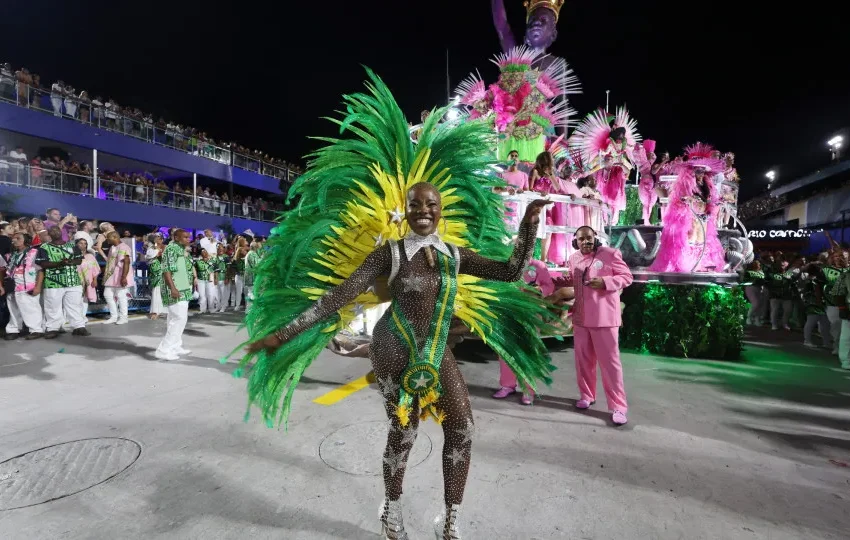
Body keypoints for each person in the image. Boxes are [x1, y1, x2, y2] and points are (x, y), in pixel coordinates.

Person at [237, 70, 557, 540]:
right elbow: (337, 297)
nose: (424, 210)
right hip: (393, 345)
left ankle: (449, 520)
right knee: (404, 432)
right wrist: (283, 334)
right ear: (406, 210)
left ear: (440, 209)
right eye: (415, 205)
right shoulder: (386, 254)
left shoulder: (454, 255)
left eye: (431, 204)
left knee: (463, 428)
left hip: (436, 349)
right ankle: (391, 507)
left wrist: (528, 225)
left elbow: (509, 270)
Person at [566, 225, 633, 425]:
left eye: (588, 238)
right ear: (575, 241)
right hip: (581, 318)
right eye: (580, 239)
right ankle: (587, 396)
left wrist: (605, 282)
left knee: (610, 365)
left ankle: (618, 407)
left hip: (604, 319)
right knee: (583, 361)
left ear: (595, 238)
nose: (585, 242)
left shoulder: (610, 255)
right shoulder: (574, 258)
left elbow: (627, 277)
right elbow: (572, 281)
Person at [36, 225, 89, 338]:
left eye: (57, 229)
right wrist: (60, 263)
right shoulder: (44, 247)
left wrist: (70, 262)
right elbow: (43, 263)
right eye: (52, 230)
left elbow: (79, 260)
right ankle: (53, 328)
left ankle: (79, 327)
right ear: (49, 234)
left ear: (61, 232)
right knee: (52, 307)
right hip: (53, 282)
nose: (55, 231)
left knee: (75, 305)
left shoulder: (72, 245)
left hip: (73, 281)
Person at [155, 229, 192, 360]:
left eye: (189, 237)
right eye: (185, 237)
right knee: (179, 318)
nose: (188, 239)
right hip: (176, 288)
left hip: (183, 287)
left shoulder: (180, 249)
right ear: (176, 237)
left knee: (174, 318)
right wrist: (173, 288)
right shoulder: (171, 249)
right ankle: (163, 349)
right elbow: (167, 271)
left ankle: (175, 345)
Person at [3, 232, 45, 340]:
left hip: (28, 286)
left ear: (26, 240)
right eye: (13, 238)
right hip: (13, 287)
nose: (14, 240)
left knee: (31, 309)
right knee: (13, 309)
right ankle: (13, 329)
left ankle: (36, 330)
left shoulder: (34, 252)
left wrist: (38, 286)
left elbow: (40, 270)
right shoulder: (12, 254)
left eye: (18, 238)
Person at [102, 231, 134, 324]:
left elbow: (126, 262)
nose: (107, 239)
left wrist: (124, 277)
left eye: (108, 238)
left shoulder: (124, 247)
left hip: (121, 275)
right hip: (111, 276)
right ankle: (114, 316)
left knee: (121, 296)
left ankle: (124, 317)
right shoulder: (112, 247)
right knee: (107, 294)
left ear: (115, 237)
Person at [75, 233, 100, 318]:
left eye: (85, 243)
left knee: (85, 298)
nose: (83, 245)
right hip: (76, 280)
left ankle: (83, 316)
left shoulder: (90, 256)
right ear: (76, 244)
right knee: (76, 298)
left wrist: (95, 280)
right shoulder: (73, 256)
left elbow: (95, 269)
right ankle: (76, 316)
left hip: (88, 281)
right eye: (81, 243)